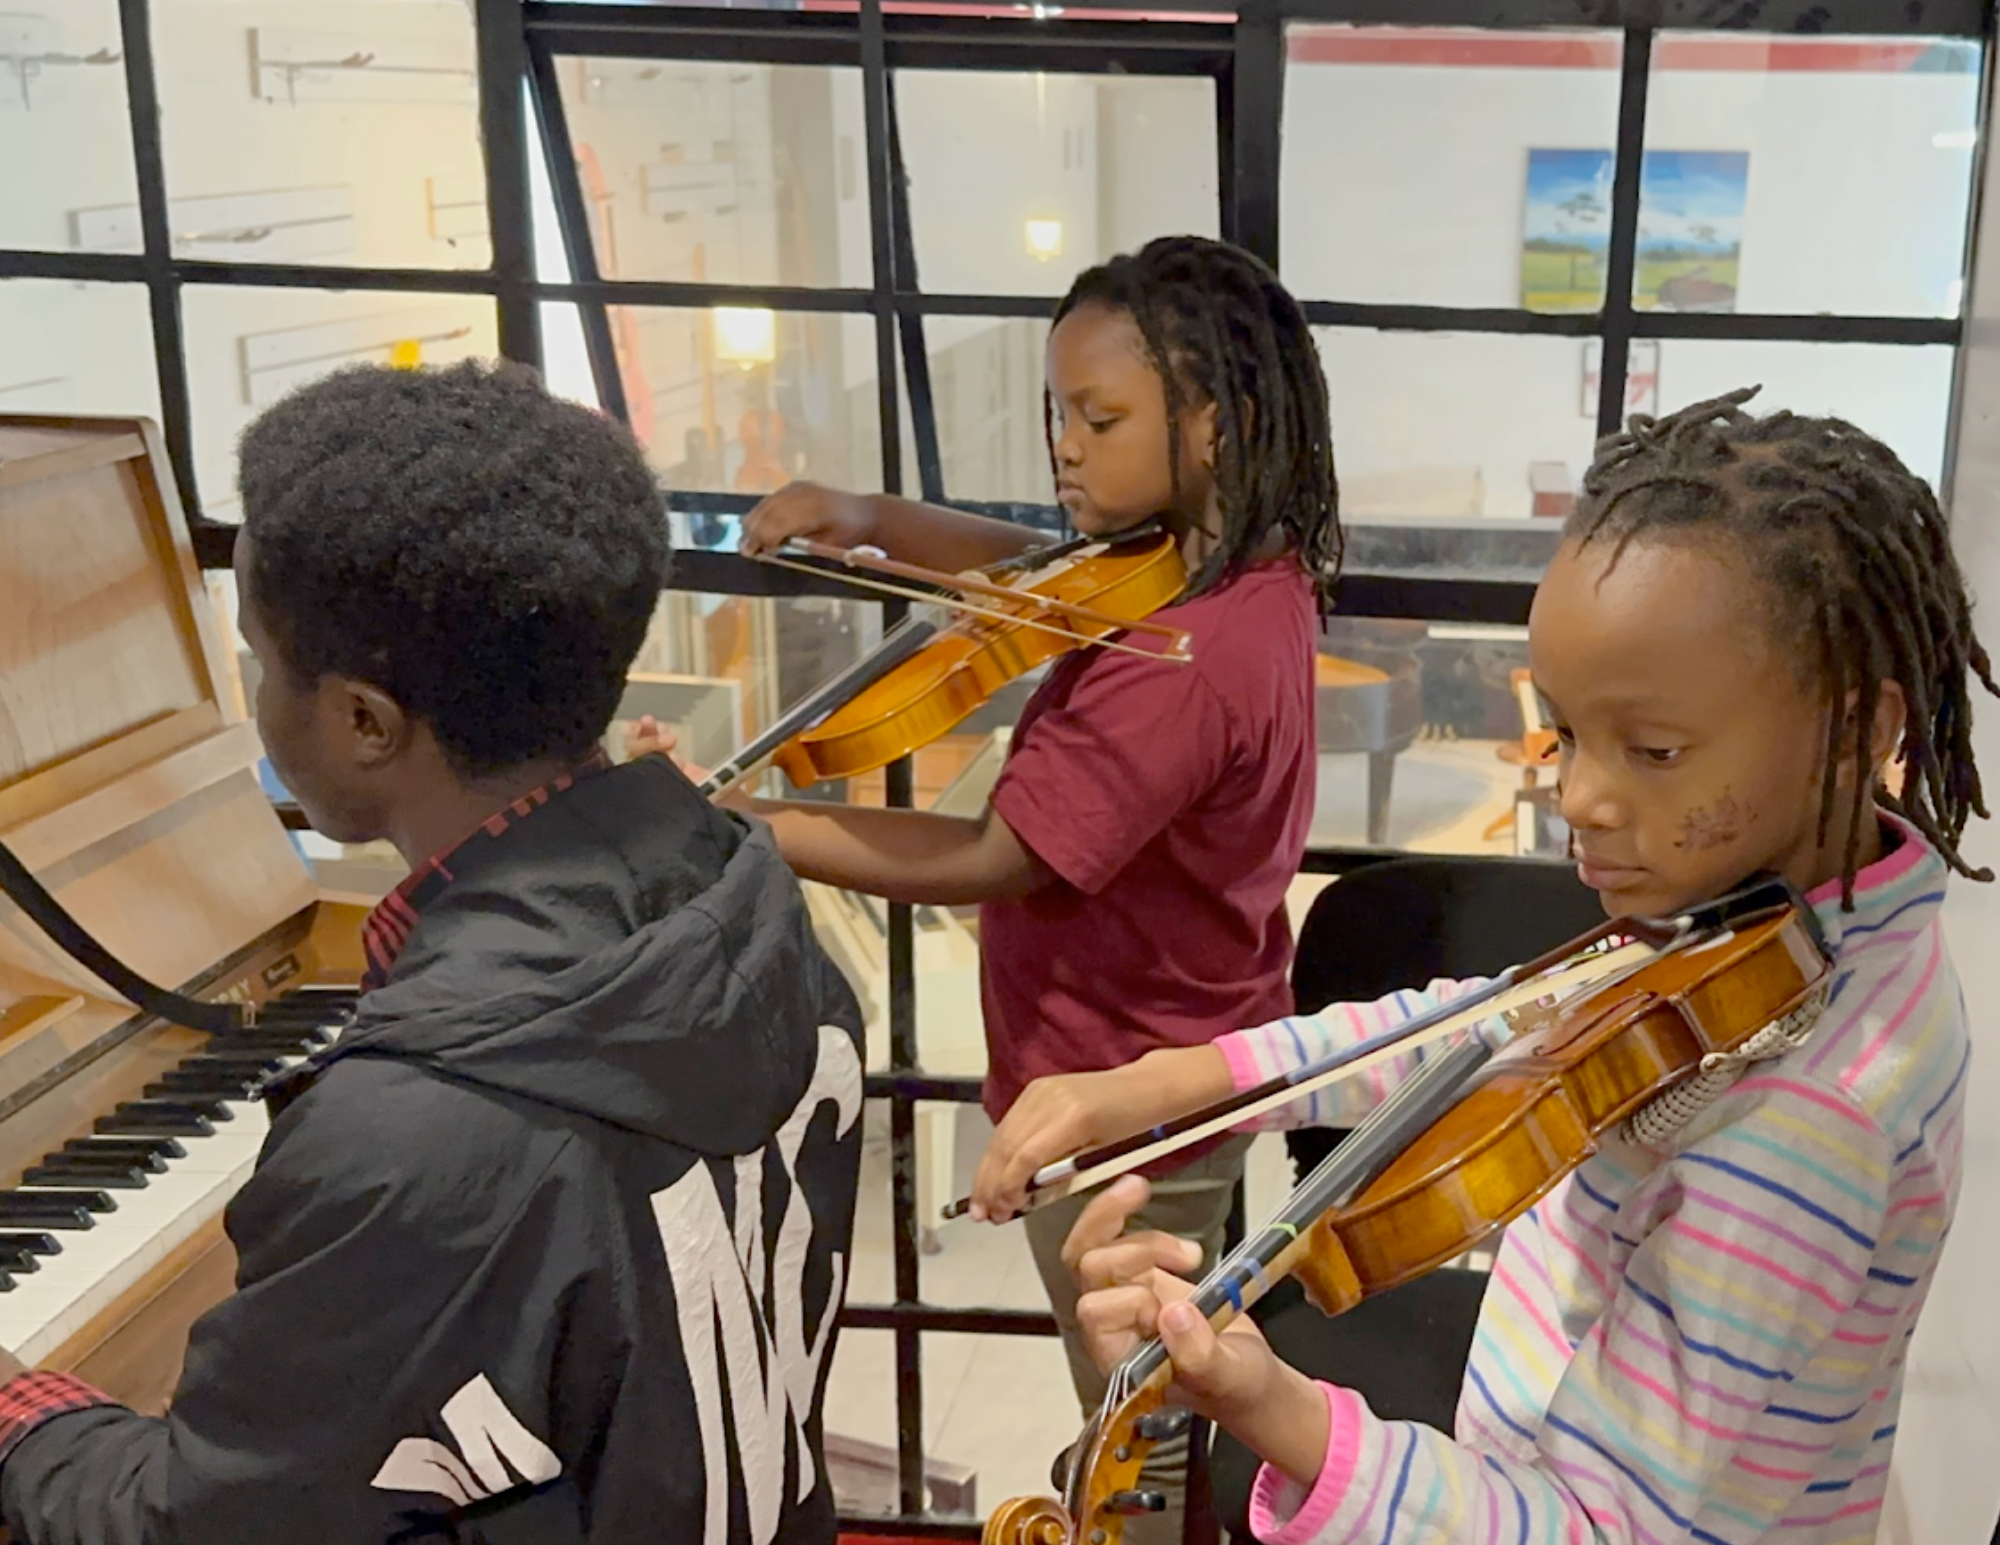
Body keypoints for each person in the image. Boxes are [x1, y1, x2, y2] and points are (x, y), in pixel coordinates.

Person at [977, 388, 1989, 1544]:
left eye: (1651, 751)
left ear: (1858, 727)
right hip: (1529, 1411)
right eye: (1560, 732)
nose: (1579, 797)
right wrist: (1180, 1080)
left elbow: (1593, 1530)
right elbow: (1488, 1027)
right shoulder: (1776, 914)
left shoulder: (1808, 1131)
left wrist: (1267, 1405)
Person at [0, 362, 865, 1545]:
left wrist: (18, 1407)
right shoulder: (748, 905)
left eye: (256, 658)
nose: (251, 691)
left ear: (364, 721)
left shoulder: (418, 1133)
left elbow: (194, 1528)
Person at [641, 234, 1339, 1541]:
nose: (1066, 446)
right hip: (1173, 1045)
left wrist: (749, 820)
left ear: (1223, 421)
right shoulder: (1236, 568)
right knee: (1148, 1381)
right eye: (1054, 412)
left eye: (1102, 416)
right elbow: (1037, 576)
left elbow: (988, 857)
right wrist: (874, 519)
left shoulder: (1184, 658)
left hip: (1125, 1093)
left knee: (1139, 1413)